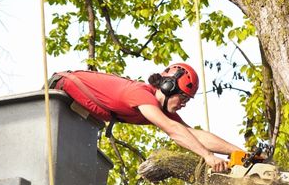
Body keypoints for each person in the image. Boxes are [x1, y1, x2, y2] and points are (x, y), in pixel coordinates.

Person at [49, 63, 244, 172]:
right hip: (57, 91)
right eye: (183, 97)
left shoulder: (161, 109)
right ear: (168, 87)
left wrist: (238, 153)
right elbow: (174, 131)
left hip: (74, 110)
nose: (184, 104)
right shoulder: (140, 95)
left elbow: (193, 134)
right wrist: (208, 157)